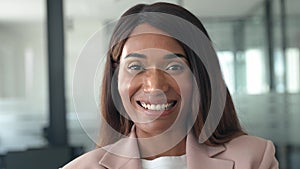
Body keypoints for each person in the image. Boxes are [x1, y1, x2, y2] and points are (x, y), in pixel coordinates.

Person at [62, 2, 279, 169]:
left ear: (199, 78)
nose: (155, 86)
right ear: (115, 79)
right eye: (135, 66)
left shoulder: (254, 158)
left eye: (174, 67)